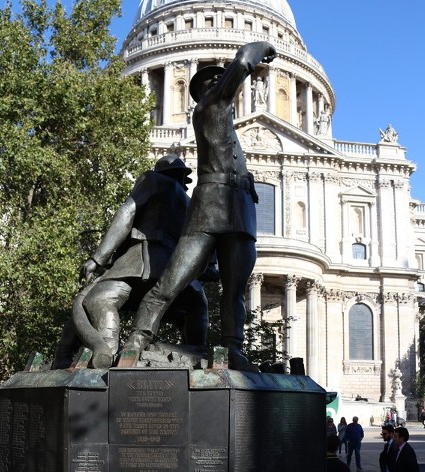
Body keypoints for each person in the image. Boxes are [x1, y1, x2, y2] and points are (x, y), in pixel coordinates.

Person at [120, 42, 278, 371]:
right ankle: (137, 339)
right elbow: (237, 69)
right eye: (214, 81)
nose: (222, 86)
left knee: (235, 290)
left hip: (240, 212)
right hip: (210, 207)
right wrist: (255, 50)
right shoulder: (208, 108)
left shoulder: (231, 129)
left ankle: (233, 348)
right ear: (204, 90)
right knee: (174, 277)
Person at [53, 155, 211, 369]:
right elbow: (204, 239)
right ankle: (196, 353)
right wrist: (206, 270)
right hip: (178, 273)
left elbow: (127, 212)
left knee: (96, 299)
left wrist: (97, 258)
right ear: (183, 178)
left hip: (141, 261)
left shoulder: (152, 180)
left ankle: (105, 350)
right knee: (196, 307)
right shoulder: (192, 204)